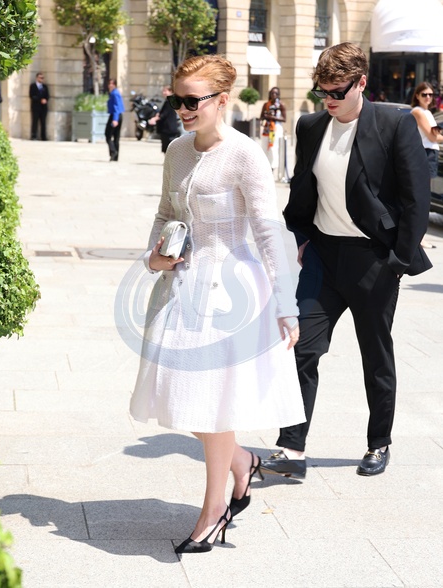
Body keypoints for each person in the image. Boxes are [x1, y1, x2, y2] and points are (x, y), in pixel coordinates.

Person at [129, 54, 305, 554]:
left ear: (222, 100)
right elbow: (166, 211)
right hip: (180, 286)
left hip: (231, 292)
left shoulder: (246, 154)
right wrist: (153, 257)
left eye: (192, 101)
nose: (183, 110)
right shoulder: (176, 149)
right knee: (180, 397)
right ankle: (242, 462)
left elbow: (269, 231)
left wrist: (286, 304)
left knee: (214, 404)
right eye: (177, 100)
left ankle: (213, 512)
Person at [261, 42, 432, 479]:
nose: (329, 100)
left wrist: (398, 260)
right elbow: (302, 188)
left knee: (375, 354)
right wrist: (299, 238)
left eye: (338, 91)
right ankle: (292, 447)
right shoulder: (311, 125)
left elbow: (416, 199)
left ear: (361, 83)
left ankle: (379, 442)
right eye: (323, 92)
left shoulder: (393, 123)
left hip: (373, 259)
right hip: (323, 256)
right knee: (301, 348)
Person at [411, 81, 443, 249]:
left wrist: (437, 135)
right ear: (417, 95)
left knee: (425, 197)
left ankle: (420, 236)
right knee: (421, 197)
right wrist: (437, 136)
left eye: (431, 94)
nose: (428, 97)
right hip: (424, 153)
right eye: (424, 94)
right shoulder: (417, 111)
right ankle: (419, 238)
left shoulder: (429, 113)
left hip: (431, 154)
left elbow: (435, 135)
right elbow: (431, 137)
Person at [260, 87, 286, 172]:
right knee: (264, 147)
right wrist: (266, 116)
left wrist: (272, 117)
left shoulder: (281, 105)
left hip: (275, 129)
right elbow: (261, 116)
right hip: (267, 128)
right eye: (272, 93)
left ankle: (272, 166)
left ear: (278, 95)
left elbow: (284, 119)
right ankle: (264, 165)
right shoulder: (266, 104)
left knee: (273, 147)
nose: (274, 95)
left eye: (276, 93)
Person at [148, 85, 181, 153]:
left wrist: (155, 119)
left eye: (165, 91)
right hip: (169, 128)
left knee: (167, 149)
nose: (163, 93)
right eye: (163, 91)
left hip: (168, 128)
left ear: (170, 91)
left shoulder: (169, 101)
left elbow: (164, 114)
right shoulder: (170, 101)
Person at [105, 79, 125, 161]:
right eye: (109, 83)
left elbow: (116, 106)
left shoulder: (114, 93)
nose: (110, 85)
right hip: (117, 115)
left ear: (115, 85)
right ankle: (115, 157)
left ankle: (113, 152)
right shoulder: (114, 93)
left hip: (115, 115)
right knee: (116, 136)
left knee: (108, 134)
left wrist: (115, 119)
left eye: (112, 84)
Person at [29, 73, 49, 140]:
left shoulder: (45, 87)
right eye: (40, 78)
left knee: (43, 122)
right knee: (35, 122)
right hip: (36, 107)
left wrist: (45, 100)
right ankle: (34, 136)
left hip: (43, 108)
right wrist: (40, 100)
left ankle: (43, 137)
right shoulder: (33, 86)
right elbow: (32, 96)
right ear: (37, 78)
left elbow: (47, 96)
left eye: (42, 78)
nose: (41, 79)